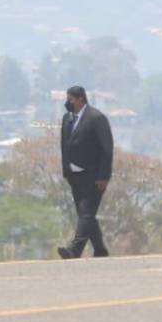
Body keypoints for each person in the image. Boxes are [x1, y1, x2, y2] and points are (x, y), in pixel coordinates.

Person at [58, 85, 114, 259]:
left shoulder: (96, 118)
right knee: (85, 214)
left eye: (71, 99)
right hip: (74, 175)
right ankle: (100, 249)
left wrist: (104, 176)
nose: (68, 103)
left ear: (80, 99)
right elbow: (64, 146)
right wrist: (66, 170)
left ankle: (75, 250)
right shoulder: (67, 119)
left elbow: (107, 149)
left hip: (93, 175)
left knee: (87, 212)